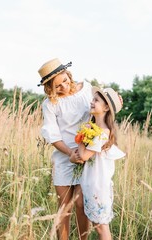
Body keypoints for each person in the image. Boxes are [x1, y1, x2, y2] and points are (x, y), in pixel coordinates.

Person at [38, 58, 93, 239]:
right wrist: (70, 154)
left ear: (67, 74)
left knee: (80, 204)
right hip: (64, 156)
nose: (63, 86)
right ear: (49, 88)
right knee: (64, 206)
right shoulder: (50, 104)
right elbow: (52, 135)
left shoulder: (86, 90)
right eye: (57, 86)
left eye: (64, 81)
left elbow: (102, 108)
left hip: (86, 154)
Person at [70, 87, 125, 240]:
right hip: (88, 180)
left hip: (97, 184)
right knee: (79, 203)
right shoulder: (95, 128)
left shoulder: (103, 133)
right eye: (92, 99)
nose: (92, 102)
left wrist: (81, 136)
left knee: (100, 227)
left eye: (96, 100)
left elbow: (84, 155)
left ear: (106, 107)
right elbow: (79, 157)